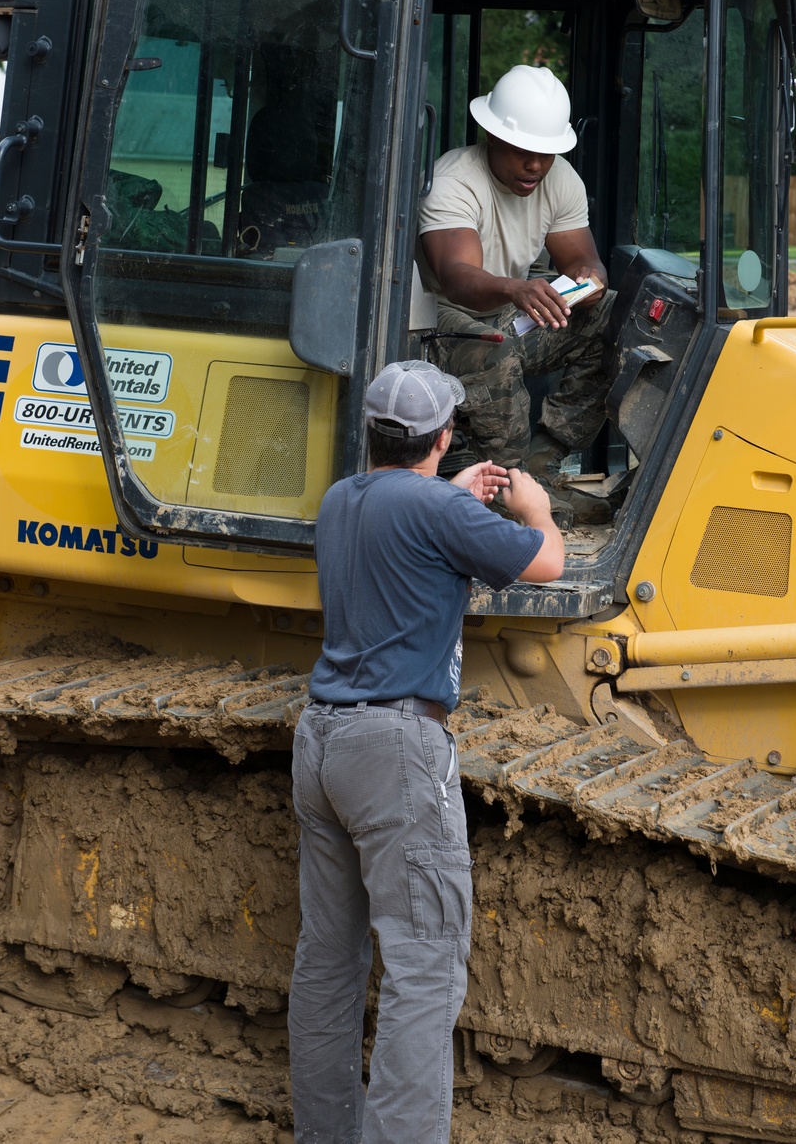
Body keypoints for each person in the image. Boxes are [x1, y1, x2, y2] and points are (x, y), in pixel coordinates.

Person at [288, 359, 564, 1144]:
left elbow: (405, 513)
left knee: (329, 960)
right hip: (397, 749)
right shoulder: (438, 511)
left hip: (323, 739)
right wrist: (536, 507)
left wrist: (448, 492)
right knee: (423, 969)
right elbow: (546, 562)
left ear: (371, 432)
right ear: (443, 438)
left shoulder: (343, 499)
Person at [418, 63, 615, 525]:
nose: (536, 165)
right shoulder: (454, 180)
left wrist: (586, 285)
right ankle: (511, 490)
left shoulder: (559, 178)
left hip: (508, 308)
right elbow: (457, 278)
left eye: (547, 153)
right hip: (440, 323)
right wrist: (516, 288)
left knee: (609, 314)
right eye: (524, 151)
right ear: (491, 137)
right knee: (496, 351)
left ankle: (543, 470)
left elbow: (586, 263)